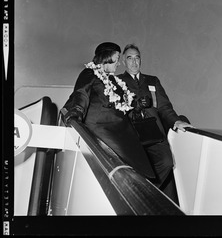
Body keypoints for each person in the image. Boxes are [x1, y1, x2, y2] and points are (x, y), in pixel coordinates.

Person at [61, 42, 155, 179]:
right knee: (129, 169)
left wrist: (138, 104)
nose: (118, 64)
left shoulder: (114, 80)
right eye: (117, 60)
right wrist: (76, 112)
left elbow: (124, 103)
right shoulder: (90, 73)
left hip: (120, 128)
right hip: (103, 128)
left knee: (139, 169)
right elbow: (81, 94)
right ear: (106, 58)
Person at [118, 43, 194, 204]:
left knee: (167, 162)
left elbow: (165, 107)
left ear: (141, 60)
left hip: (155, 133)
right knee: (137, 169)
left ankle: (144, 195)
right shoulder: (117, 81)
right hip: (132, 136)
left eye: (137, 58)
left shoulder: (152, 81)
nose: (134, 62)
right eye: (129, 58)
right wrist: (134, 106)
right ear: (124, 61)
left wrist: (176, 121)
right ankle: (141, 198)